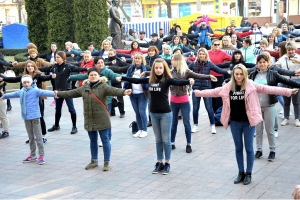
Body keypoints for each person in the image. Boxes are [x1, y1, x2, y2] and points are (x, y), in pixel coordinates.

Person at [193, 64, 298, 185]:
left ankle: (249, 173)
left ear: (245, 74)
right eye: (236, 74)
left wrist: (288, 91)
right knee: (238, 148)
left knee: (248, 149)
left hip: (249, 122)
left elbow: (269, 89)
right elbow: (214, 91)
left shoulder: (250, 85)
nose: (238, 76)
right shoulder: (228, 86)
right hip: (235, 122)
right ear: (233, 75)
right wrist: (198, 92)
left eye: (241, 74)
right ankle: (240, 172)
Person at [119, 58, 194, 175]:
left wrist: (189, 81)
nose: (158, 70)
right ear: (153, 69)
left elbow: (178, 82)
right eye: (156, 68)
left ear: (164, 68)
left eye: (160, 68)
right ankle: (159, 162)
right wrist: (123, 78)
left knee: (166, 140)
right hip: (153, 113)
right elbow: (136, 80)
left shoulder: (167, 80)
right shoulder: (150, 80)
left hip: (165, 114)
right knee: (158, 140)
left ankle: (167, 163)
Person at [56, 68, 131, 170]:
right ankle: (94, 161)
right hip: (89, 118)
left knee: (105, 140)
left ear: (99, 76)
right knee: (93, 140)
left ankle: (106, 163)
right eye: (91, 75)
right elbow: (71, 93)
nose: (93, 76)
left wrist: (124, 91)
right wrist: (58, 94)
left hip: (102, 118)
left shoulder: (103, 86)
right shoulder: (84, 88)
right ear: (88, 76)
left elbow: (113, 90)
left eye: (95, 74)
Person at [250, 54, 300, 162]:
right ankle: (259, 150)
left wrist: (297, 85)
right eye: (260, 62)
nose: (262, 64)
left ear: (268, 63)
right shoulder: (252, 74)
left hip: (270, 106)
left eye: (264, 62)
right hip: (256, 107)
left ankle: (272, 151)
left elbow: (287, 81)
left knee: (270, 130)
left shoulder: (273, 74)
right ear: (257, 64)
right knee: (258, 131)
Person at [1, 75, 56, 165]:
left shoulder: (35, 90)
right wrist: (4, 96)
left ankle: (41, 155)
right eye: (24, 82)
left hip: (35, 117)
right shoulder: (22, 91)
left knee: (38, 137)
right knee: (30, 137)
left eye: (28, 82)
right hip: (26, 117)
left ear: (31, 82)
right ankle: (32, 155)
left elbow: (44, 92)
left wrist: (54, 93)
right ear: (22, 83)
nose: (26, 84)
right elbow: (13, 94)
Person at [170, 54, 216, 153]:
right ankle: (172, 142)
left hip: (184, 102)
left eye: (173, 60)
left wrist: (209, 77)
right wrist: (147, 72)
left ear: (178, 61)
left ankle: (188, 144)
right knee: (173, 123)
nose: (171, 62)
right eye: (171, 60)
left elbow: (198, 75)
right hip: (173, 101)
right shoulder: (170, 72)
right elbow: (157, 74)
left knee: (186, 123)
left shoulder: (186, 72)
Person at [0, 60, 55, 143]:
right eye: (28, 66)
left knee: (40, 118)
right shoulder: (23, 77)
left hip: (37, 101)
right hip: (26, 102)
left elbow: (45, 77)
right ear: (26, 68)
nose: (30, 67)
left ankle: (43, 136)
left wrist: (51, 76)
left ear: (34, 67)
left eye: (31, 66)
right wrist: (3, 78)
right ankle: (31, 137)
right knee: (29, 120)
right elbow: (13, 79)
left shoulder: (38, 75)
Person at [39, 51, 87, 134]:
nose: (56, 58)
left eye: (58, 57)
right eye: (56, 57)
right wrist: (34, 68)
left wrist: (87, 69)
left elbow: (78, 69)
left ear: (63, 58)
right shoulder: (53, 66)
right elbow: (44, 69)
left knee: (71, 109)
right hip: (58, 91)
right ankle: (56, 125)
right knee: (57, 109)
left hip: (67, 91)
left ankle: (74, 126)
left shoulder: (68, 66)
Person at [189, 48, 230, 134]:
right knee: (195, 108)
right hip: (196, 89)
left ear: (206, 55)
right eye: (200, 54)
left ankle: (212, 125)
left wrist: (229, 72)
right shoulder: (193, 64)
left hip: (207, 89)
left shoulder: (209, 64)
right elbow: (185, 71)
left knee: (209, 108)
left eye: (203, 54)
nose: (201, 55)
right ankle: (195, 125)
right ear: (198, 55)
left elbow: (219, 70)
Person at [123, 53, 150, 137]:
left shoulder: (146, 69)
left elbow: (150, 80)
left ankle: (144, 130)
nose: (137, 60)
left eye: (139, 58)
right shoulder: (131, 68)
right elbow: (127, 78)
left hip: (142, 94)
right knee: (137, 112)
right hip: (133, 94)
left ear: (142, 59)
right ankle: (139, 129)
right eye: (136, 58)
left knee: (142, 112)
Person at [275, 41, 300, 127]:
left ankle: (297, 118)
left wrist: (298, 62)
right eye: (289, 50)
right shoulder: (283, 58)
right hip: (285, 82)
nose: (290, 51)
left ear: (295, 50)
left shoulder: (298, 58)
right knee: (286, 101)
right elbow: (276, 66)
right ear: (286, 50)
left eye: (292, 50)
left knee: (296, 101)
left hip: (296, 81)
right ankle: (286, 118)